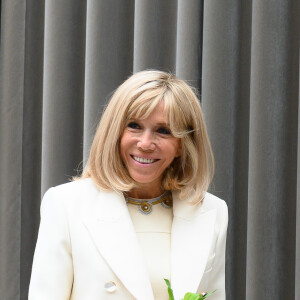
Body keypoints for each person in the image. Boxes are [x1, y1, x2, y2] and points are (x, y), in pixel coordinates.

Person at [29, 70, 228, 300]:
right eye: (134, 126)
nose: (145, 143)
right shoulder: (66, 205)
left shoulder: (212, 211)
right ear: (115, 132)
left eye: (163, 131)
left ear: (183, 144)